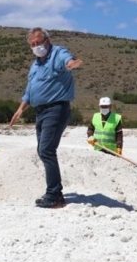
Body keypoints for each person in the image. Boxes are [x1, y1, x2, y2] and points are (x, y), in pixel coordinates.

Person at [9, 28, 83, 209]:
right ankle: (54, 192)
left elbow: (69, 60)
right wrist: (20, 109)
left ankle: (54, 195)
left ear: (47, 41)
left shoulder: (58, 53)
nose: (36, 47)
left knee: (47, 150)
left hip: (56, 109)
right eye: (32, 45)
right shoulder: (35, 65)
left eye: (38, 43)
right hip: (40, 112)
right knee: (43, 151)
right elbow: (30, 90)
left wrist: (73, 63)